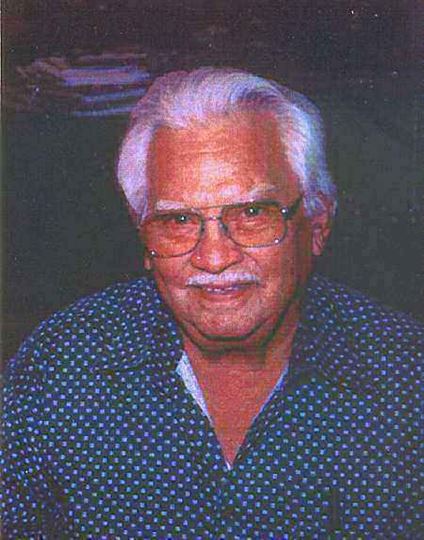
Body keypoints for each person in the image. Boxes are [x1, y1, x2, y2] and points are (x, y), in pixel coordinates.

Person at [3, 67, 422, 538]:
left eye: (252, 213)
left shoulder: (406, 379)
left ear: (317, 224)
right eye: (178, 221)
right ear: (145, 241)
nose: (215, 257)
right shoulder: (60, 369)